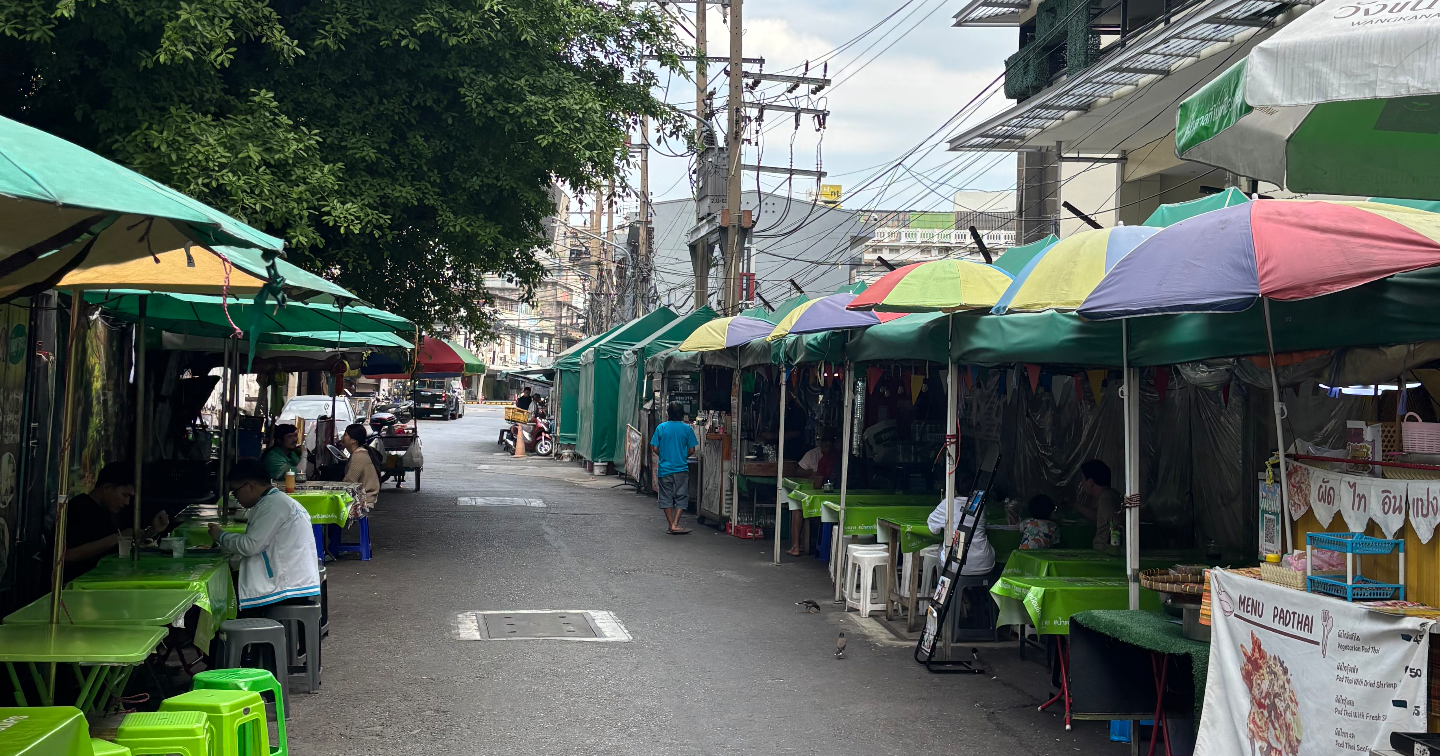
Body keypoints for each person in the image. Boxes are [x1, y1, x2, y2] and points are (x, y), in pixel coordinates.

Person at [209, 458, 321, 614]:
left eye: (235, 491)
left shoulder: (272, 505)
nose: (235, 497)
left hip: (285, 589)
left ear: (250, 485)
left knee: (222, 599)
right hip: (293, 581)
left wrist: (221, 537)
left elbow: (251, 545)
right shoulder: (275, 501)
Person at [61, 462, 169, 581]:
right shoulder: (79, 508)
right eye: (125, 495)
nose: (127, 502)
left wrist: (151, 531)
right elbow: (65, 555)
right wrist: (118, 537)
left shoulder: (105, 511)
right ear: (107, 488)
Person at [649, 401, 697, 535]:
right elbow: (692, 450)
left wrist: (664, 455)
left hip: (665, 468)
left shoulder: (661, 428)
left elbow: (654, 448)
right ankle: (676, 523)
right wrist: (682, 455)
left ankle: (671, 524)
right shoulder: (687, 429)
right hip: (681, 468)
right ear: (682, 414)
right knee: (681, 496)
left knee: (666, 497)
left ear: (668, 413)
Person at [791, 432, 840, 557]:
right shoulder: (846, 458)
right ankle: (799, 545)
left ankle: (797, 545)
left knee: (798, 508)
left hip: (828, 499)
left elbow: (817, 485)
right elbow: (798, 470)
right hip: (840, 497)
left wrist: (818, 476)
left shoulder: (825, 460)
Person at [926, 495, 996, 576]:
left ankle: (946, 586)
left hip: (957, 563)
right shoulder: (980, 504)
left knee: (943, 548)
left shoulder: (948, 503)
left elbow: (934, 529)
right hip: (984, 562)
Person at [1074, 459, 1123, 551]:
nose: (1082, 483)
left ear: (1090, 482)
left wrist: (1112, 546)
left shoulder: (1105, 499)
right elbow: (1099, 516)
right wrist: (1075, 505)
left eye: (1083, 479)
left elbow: (1116, 521)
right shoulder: (1113, 495)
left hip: (1105, 554)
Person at [340, 423, 381, 512]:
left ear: (354, 440)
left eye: (345, 435)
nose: (342, 438)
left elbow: (349, 482)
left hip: (363, 500)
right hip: (363, 497)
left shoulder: (359, 455)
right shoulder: (359, 453)